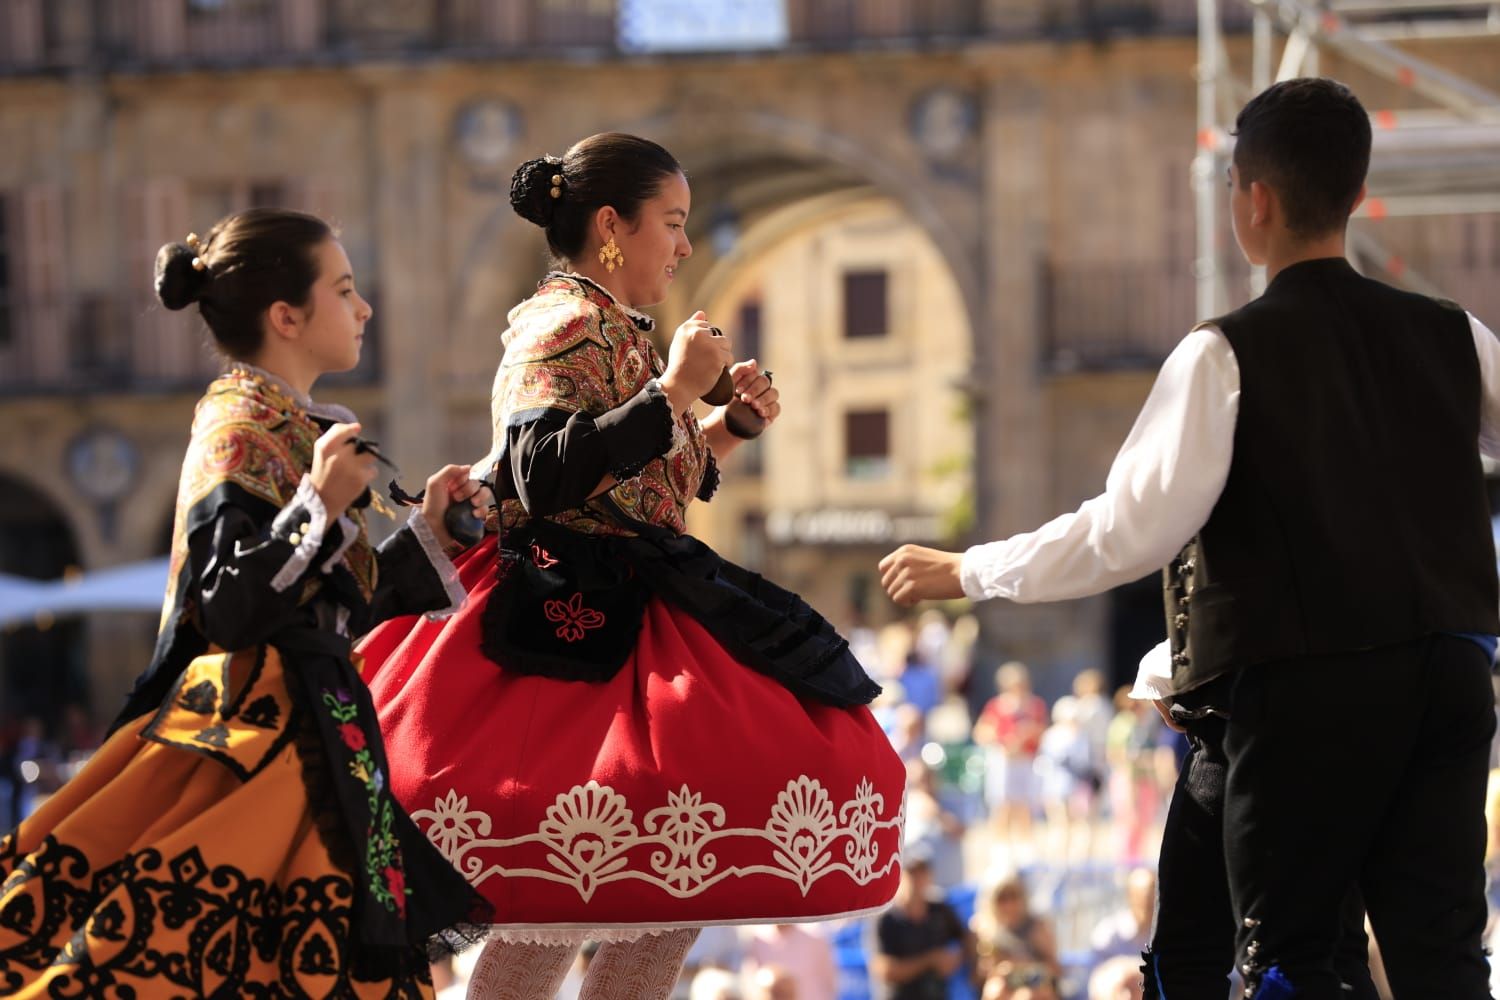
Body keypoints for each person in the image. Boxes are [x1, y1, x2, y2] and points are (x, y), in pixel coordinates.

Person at [880, 77, 1500, 996]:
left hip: (1310, 692)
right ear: (1356, 193)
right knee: (1442, 956)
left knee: (1293, 957)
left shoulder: (1226, 353)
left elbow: (1127, 533)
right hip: (1451, 676)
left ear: (1254, 200)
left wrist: (971, 568)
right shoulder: (1459, 336)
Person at [357, 133, 905, 999]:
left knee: (662, 879)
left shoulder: (616, 327)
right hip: (563, 616)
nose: (685, 247)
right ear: (612, 225)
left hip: (634, 600)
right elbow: (541, 472)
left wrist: (727, 427)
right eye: (673, 224)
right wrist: (679, 392)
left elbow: (632, 479)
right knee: (569, 885)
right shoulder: (560, 321)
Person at [0, 208, 488, 997]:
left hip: (323, 749)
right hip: (264, 764)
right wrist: (318, 509)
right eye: (345, 289)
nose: (364, 309)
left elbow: (335, 614)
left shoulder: (294, 428)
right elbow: (231, 608)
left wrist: (427, 530)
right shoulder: (238, 429)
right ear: (286, 316)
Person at [873, 852, 969, 1000]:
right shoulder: (888, 919)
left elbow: (967, 938)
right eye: (912, 873)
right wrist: (929, 961)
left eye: (922, 872)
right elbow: (886, 970)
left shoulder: (940, 910)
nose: (917, 879)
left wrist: (954, 959)